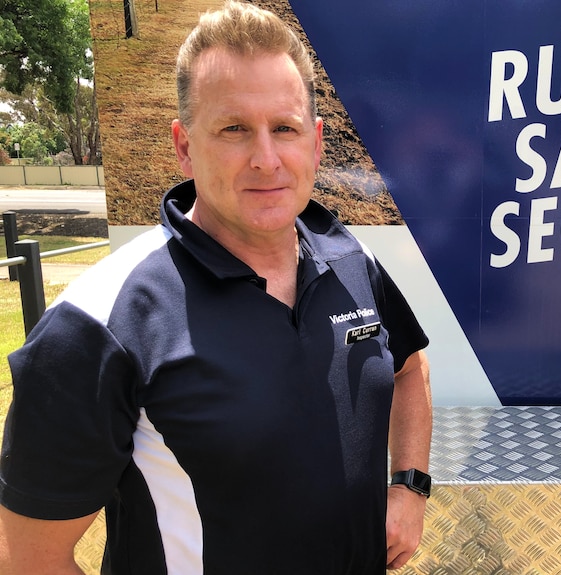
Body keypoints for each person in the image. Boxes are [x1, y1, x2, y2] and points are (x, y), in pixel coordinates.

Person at [0, 1, 432, 573]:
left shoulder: (353, 260)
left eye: (285, 128)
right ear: (184, 146)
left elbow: (410, 368)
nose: (266, 158)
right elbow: (26, 557)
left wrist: (408, 486)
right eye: (234, 129)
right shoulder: (98, 323)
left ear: (317, 143)